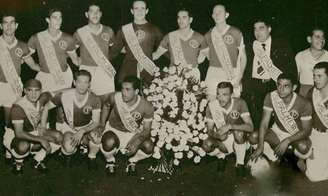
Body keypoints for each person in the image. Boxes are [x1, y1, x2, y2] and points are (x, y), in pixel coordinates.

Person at [250, 73, 313, 173]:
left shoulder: (304, 103)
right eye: (279, 85)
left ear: (294, 87)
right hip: (277, 131)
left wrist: (287, 140)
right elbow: (264, 123)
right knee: (253, 136)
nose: (281, 89)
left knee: (303, 147)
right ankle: (273, 157)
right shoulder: (271, 96)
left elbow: (306, 131)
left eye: (286, 86)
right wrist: (260, 146)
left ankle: (298, 158)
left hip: (295, 134)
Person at [40, 70, 102, 170]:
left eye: (85, 82)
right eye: (79, 82)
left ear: (89, 84)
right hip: (70, 127)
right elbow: (46, 107)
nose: (82, 85)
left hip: (87, 127)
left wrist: (82, 131)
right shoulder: (64, 95)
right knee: (69, 147)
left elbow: (96, 122)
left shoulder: (94, 99)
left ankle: (91, 156)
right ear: (74, 82)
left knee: (97, 138)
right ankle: (66, 153)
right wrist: (43, 127)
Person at [0, 13, 40, 162]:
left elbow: (33, 65)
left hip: (12, 87)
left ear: (16, 26)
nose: (9, 26)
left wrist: (48, 68)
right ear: (1, 26)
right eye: (5, 23)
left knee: (9, 120)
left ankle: (9, 146)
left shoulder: (22, 46)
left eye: (12, 23)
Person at [243, 18, 297, 129]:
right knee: (257, 122)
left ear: (269, 29)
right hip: (254, 88)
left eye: (261, 28)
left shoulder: (282, 45)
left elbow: (290, 68)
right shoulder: (249, 47)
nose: (257, 32)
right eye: (255, 29)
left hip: (274, 87)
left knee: (275, 123)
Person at [3, 79, 62, 174]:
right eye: (30, 90)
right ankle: (18, 164)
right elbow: (19, 133)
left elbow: (60, 92)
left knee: (58, 137)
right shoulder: (18, 107)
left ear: (41, 91)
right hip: (15, 134)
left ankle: (37, 160)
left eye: (37, 90)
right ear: (25, 91)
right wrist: (41, 139)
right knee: (23, 146)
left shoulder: (43, 98)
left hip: (34, 131)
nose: (34, 94)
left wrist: (77, 89)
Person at [99, 75, 154, 176]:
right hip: (114, 130)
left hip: (132, 133)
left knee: (149, 146)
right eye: (122, 89)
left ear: (136, 91)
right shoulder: (115, 97)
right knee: (108, 141)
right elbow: (106, 105)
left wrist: (137, 142)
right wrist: (102, 124)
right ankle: (110, 161)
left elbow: (146, 130)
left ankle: (132, 161)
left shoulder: (147, 106)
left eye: (128, 89)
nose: (124, 93)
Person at [202, 82, 253, 177]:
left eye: (224, 94)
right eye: (218, 94)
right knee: (206, 145)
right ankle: (221, 157)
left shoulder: (240, 103)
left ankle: (239, 164)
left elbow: (250, 127)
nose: (220, 98)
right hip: (223, 140)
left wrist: (230, 126)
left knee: (238, 132)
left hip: (239, 138)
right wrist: (217, 135)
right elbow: (209, 130)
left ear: (232, 95)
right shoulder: (212, 106)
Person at [109, 0, 162, 85]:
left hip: (148, 70)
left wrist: (155, 56)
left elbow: (164, 48)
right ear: (132, 11)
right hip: (128, 71)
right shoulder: (124, 29)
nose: (139, 11)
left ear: (147, 11)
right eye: (136, 8)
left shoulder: (155, 29)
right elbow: (113, 51)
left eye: (142, 8)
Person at [199, 4, 246, 99]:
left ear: (226, 15)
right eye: (215, 13)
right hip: (213, 74)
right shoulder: (208, 35)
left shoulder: (236, 32)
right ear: (212, 16)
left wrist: (239, 76)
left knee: (232, 106)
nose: (217, 15)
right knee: (212, 106)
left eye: (220, 12)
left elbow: (243, 57)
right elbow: (205, 57)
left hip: (232, 73)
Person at [28, 8, 78, 93]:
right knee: (44, 103)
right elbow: (26, 54)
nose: (58, 21)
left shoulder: (68, 38)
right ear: (48, 20)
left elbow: (75, 60)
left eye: (60, 17)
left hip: (64, 76)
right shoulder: (36, 37)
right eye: (55, 17)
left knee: (61, 103)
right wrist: (33, 66)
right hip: (45, 77)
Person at [74, 3, 116, 101]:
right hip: (86, 70)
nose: (95, 14)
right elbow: (70, 50)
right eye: (91, 11)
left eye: (97, 11)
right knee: (87, 102)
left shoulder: (108, 30)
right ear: (86, 14)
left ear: (101, 14)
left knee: (107, 101)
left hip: (105, 69)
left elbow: (115, 49)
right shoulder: (80, 32)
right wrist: (75, 60)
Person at [152, 8, 204, 81]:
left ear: (191, 19)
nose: (180, 20)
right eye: (178, 17)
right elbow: (156, 55)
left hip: (192, 76)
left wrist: (198, 61)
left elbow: (207, 55)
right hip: (173, 77)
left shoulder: (199, 37)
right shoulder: (170, 36)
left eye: (184, 17)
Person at [305, 62, 328, 182]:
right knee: (313, 177)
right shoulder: (312, 92)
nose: (315, 79)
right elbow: (306, 117)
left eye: (319, 76)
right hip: (317, 136)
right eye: (314, 76)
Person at [296, 28, 328, 97]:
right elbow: (295, 79)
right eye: (317, 37)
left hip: (324, 93)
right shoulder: (300, 56)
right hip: (305, 93)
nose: (321, 40)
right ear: (309, 39)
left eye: (323, 37)